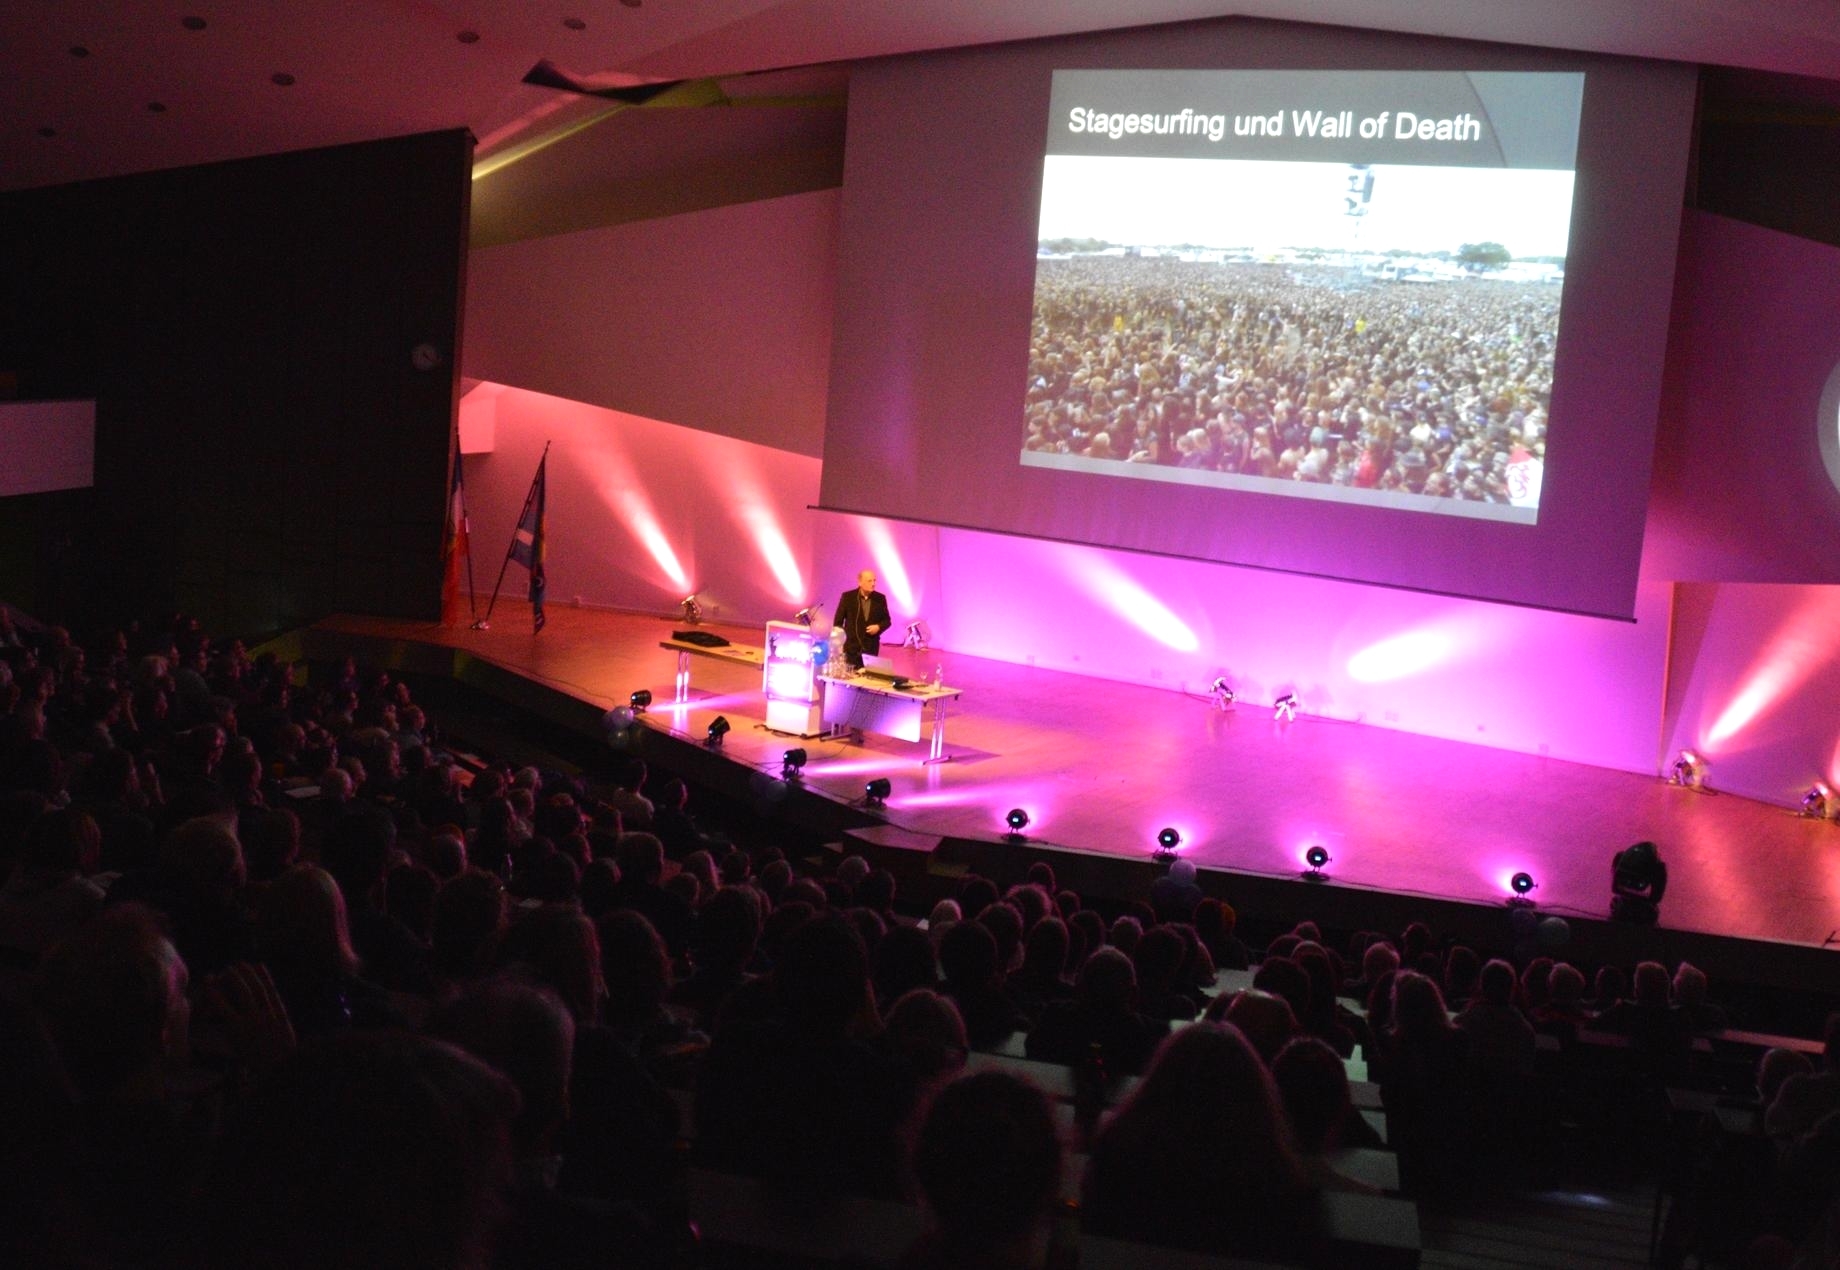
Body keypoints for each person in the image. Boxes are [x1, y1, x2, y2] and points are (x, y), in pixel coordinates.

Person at [835, 570, 892, 669]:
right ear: (860, 582)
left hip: (871, 648)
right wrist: (840, 643)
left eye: (874, 581)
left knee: (868, 679)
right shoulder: (848, 597)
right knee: (851, 679)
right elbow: (838, 622)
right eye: (870, 581)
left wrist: (878, 627)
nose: (873, 584)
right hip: (851, 649)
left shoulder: (880, 598)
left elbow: (887, 621)